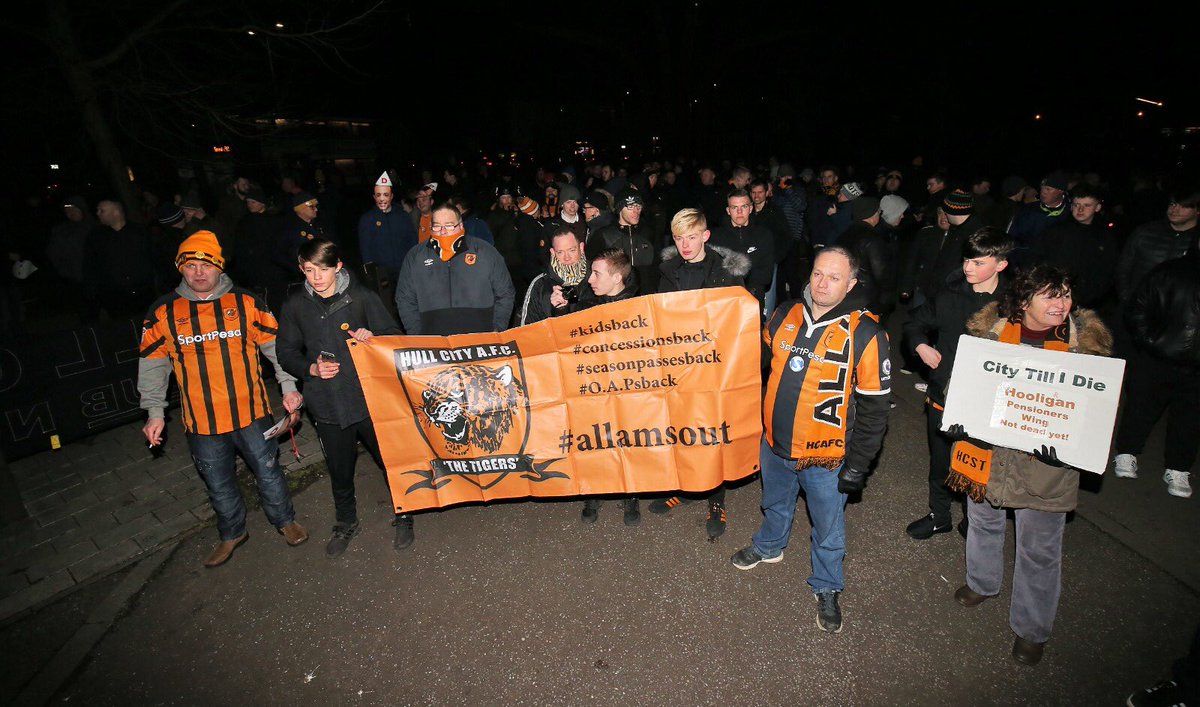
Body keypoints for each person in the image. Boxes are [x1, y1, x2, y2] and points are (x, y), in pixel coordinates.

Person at [946, 264, 1112, 666]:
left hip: (1046, 467)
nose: (1062, 304)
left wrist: (1074, 445)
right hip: (990, 454)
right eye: (1051, 295)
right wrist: (963, 419)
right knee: (983, 522)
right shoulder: (989, 336)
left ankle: (1032, 629)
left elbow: (1100, 412)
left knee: (1039, 548)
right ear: (1023, 301)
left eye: (1066, 293)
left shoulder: (1084, 349)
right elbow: (960, 386)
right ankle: (982, 582)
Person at [731, 247, 892, 634]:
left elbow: (874, 411)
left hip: (826, 457)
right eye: (818, 273)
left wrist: (858, 465)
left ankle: (827, 585)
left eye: (834, 277)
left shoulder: (866, 332)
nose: (822, 283)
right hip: (775, 443)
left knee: (828, 526)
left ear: (851, 283)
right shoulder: (785, 312)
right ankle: (770, 546)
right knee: (774, 502)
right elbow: (764, 362)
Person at [137, 231, 309, 568]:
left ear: (219, 266)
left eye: (205, 265)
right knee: (217, 482)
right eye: (190, 266)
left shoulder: (246, 302)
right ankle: (232, 533)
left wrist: (288, 386)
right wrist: (154, 412)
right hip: (201, 421)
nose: (198, 272)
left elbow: (275, 348)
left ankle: (285, 521)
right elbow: (152, 364)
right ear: (180, 269)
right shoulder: (162, 311)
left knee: (269, 472)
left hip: (251, 412)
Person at [276, 239, 411, 554]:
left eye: (323, 269)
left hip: (368, 399)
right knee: (339, 468)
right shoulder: (296, 304)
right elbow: (285, 351)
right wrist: (310, 368)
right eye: (309, 271)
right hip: (326, 402)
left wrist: (373, 337)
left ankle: (405, 513)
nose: (317, 277)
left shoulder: (361, 297)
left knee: (390, 460)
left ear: (337, 266)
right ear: (302, 270)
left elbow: (395, 336)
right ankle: (346, 522)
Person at [902, 228, 1012, 540]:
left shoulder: (1014, 305)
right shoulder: (949, 294)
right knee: (939, 462)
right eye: (966, 260)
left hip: (988, 400)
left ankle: (973, 519)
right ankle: (939, 516)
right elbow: (914, 323)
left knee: (977, 464)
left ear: (1000, 265)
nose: (968, 268)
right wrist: (921, 344)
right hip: (944, 392)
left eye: (978, 263)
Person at [646, 208, 749, 537]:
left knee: (712, 432)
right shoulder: (668, 269)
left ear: (705, 236)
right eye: (678, 238)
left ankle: (716, 499)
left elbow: (740, 320)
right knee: (682, 429)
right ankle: (688, 487)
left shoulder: (726, 272)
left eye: (691, 237)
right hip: (677, 365)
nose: (685, 245)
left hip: (714, 366)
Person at [1112, 245, 1200, 497]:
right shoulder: (1170, 271)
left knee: (1190, 419)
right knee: (1141, 406)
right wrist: (1150, 340)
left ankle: (1179, 467)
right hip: (1158, 356)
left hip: (1197, 367)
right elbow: (1138, 306)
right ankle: (1127, 452)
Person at [563, 248, 642, 525]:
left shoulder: (640, 306)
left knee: (627, 439)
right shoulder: (587, 304)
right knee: (593, 439)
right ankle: (594, 491)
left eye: (597, 274)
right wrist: (559, 308)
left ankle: (630, 494)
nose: (590, 280)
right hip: (592, 388)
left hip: (626, 388)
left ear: (617, 276)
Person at [394, 201, 515, 336]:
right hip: (433, 342)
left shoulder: (485, 252)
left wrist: (497, 328)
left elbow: (505, 293)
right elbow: (405, 298)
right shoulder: (416, 256)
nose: (443, 231)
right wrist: (416, 334)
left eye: (449, 226)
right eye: (437, 226)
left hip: (481, 341)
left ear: (461, 225)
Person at [357, 171, 418, 310]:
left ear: (391, 196)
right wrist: (370, 272)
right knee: (385, 305)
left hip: (403, 269)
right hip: (381, 272)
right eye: (378, 195)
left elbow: (412, 240)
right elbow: (365, 248)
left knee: (406, 301)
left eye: (385, 195)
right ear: (374, 197)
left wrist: (413, 263)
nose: (382, 199)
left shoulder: (403, 216)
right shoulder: (367, 219)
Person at [515, 227, 588, 326]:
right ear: (553, 253)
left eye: (571, 250)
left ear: (581, 248)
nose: (567, 257)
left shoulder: (596, 276)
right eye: (560, 252)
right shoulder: (540, 285)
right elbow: (528, 329)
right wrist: (559, 311)